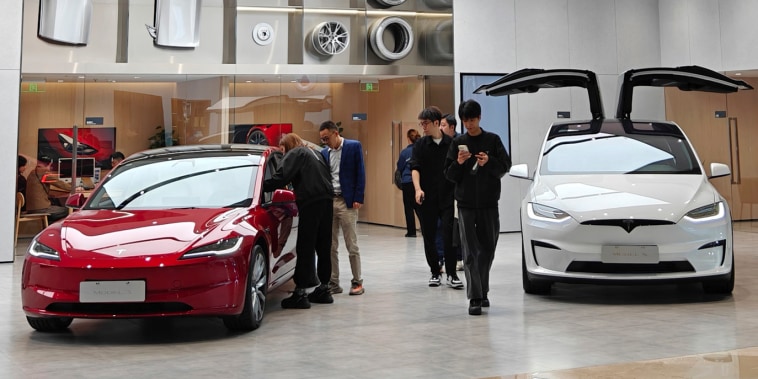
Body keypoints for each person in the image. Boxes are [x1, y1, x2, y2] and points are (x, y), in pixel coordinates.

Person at [445, 99, 511, 316]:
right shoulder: (457, 143)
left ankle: (482, 290)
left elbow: (505, 167)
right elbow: (449, 175)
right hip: (465, 204)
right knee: (470, 251)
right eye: (465, 120)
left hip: (489, 203)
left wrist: (488, 161)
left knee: (488, 249)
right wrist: (459, 162)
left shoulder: (492, 140)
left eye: (472, 119)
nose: (469, 124)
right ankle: (475, 296)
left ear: (479, 118)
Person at [263, 133, 335, 309]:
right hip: (327, 200)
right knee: (324, 245)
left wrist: (262, 186)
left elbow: (281, 177)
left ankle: (300, 293)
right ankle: (324, 289)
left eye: (282, 150)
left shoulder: (296, 153)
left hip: (310, 202)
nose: (283, 154)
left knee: (305, 246)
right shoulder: (315, 153)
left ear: (287, 146)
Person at [410, 107, 463, 289]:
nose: (422, 127)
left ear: (436, 123)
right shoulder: (420, 145)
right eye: (421, 123)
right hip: (427, 197)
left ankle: (452, 274)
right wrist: (417, 189)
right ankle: (435, 271)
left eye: (425, 123)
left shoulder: (452, 143)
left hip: (449, 197)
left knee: (449, 236)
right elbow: (415, 168)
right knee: (429, 236)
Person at [319, 121, 367, 296]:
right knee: (330, 245)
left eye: (326, 138)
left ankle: (357, 281)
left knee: (351, 244)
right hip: (330, 201)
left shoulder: (353, 147)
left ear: (335, 133)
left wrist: (358, 197)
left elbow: (360, 172)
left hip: (347, 201)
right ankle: (333, 282)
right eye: (322, 139)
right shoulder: (324, 153)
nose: (325, 142)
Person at [438, 114, 464, 272]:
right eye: (439, 125)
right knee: (441, 226)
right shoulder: (439, 144)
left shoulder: (461, 142)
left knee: (458, 226)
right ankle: (441, 259)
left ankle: (459, 258)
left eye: (443, 125)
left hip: (458, 190)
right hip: (443, 191)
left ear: (452, 127)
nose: (441, 128)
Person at [25, 155, 72, 223]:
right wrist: (76, 187)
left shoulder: (32, 172)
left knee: (57, 206)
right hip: (41, 209)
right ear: (49, 164)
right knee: (68, 210)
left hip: (30, 208)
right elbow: (63, 185)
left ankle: (48, 224)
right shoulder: (45, 174)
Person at [397, 128, 421, 238]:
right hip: (419, 182)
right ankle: (425, 229)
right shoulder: (421, 149)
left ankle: (411, 231)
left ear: (408, 139)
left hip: (407, 182)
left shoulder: (405, 152)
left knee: (408, 207)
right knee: (420, 207)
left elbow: (400, 167)